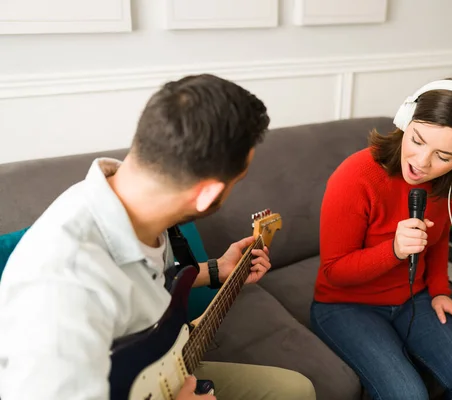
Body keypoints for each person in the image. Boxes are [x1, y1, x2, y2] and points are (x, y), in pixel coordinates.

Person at [0, 74, 316, 400]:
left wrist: (215, 270)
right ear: (206, 195)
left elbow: (147, 282)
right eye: (239, 179)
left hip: (159, 365)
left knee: (297, 390)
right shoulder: (63, 286)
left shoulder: (138, 201)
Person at [310, 78, 452, 400]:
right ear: (404, 121)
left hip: (415, 297)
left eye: (443, 155)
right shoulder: (356, 176)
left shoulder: (450, 183)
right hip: (345, 306)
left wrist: (440, 291)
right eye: (418, 140)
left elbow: (437, 240)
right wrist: (394, 251)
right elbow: (334, 272)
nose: (421, 163)